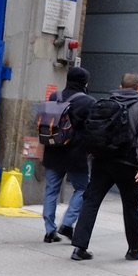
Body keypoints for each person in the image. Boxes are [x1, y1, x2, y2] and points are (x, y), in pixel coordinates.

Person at [71, 73, 138, 261]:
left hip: (101, 160)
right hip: (127, 163)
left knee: (91, 201)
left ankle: (79, 248)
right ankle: (133, 249)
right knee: (131, 205)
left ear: (120, 86)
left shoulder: (106, 102)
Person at [40, 66, 94, 243]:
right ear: (84, 82)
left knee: (51, 190)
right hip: (75, 155)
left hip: (53, 150)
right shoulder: (88, 102)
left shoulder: (55, 97)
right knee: (82, 189)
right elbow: (90, 129)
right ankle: (68, 223)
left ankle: (49, 230)